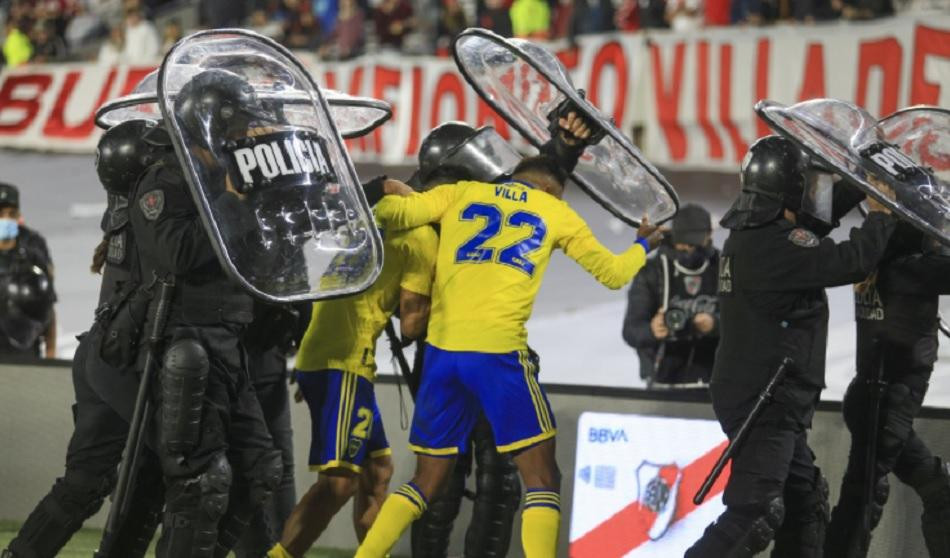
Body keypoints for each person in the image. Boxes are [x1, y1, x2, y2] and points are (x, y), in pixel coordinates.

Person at [354, 112, 661, 558]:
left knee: (426, 481)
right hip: (498, 355)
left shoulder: (461, 193)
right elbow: (613, 274)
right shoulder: (556, 211)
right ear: (556, 189)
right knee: (540, 478)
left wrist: (379, 186)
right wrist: (644, 244)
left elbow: (394, 211)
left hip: (440, 355)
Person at [684, 135, 898, 557]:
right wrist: (881, 214)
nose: (813, 194)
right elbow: (850, 260)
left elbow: (813, 226)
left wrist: (862, 183)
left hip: (766, 393)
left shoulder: (754, 235)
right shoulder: (774, 247)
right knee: (755, 512)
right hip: (766, 399)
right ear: (790, 190)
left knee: (804, 503)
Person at [130, 71, 282, 557]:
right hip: (185, 340)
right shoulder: (167, 177)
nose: (245, 143)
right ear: (211, 125)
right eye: (238, 132)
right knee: (199, 481)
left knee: (260, 468)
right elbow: (176, 252)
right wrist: (235, 202)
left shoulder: (230, 179)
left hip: (230, 339)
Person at [1, 119, 168, 558]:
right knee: (179, 474)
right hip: (124, 361)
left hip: (102, 355)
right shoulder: (157, 216)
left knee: (88, 482)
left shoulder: (122, 215)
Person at [266, 178, 438, 558]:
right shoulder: (423, 237)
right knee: (339, 484)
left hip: (327, 357)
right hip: (344, 362)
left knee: (378, 471)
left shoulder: (373, 215)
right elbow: (412, 323)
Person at [403, 122, 525, 558]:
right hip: (483, 357)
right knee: (478, 483)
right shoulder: (438, 219)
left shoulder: (429, 214)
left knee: (452, 482)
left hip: (448, 359)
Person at [825, 222, 950, 557]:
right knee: (862, 498)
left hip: (871, 398)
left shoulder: (880, 263)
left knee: (937, 490)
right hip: (889, 401)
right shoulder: (909, 269)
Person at [234, 300, 308, 558]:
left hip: (264, 360)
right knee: (241, 472)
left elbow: (298, 287)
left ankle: (284, 552)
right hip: (230, 358)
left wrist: (305, 347)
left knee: (277, 469)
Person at [622, 203, 719, 387]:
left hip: (714, 382)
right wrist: (652, 331)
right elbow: (630, 330)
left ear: (709, 235)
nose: (689, 248)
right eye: (684, 242)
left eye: (695, 243)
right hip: (662, 381)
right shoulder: (651, 271)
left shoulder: (723, 267)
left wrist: (714, 324)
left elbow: (745, 326)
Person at [0, 182, 56, 359]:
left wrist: (50, 355)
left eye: (11, 214)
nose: (5, 219)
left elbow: (47, 304)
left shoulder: (33, 246)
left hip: (25, 349)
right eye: (0, 214)